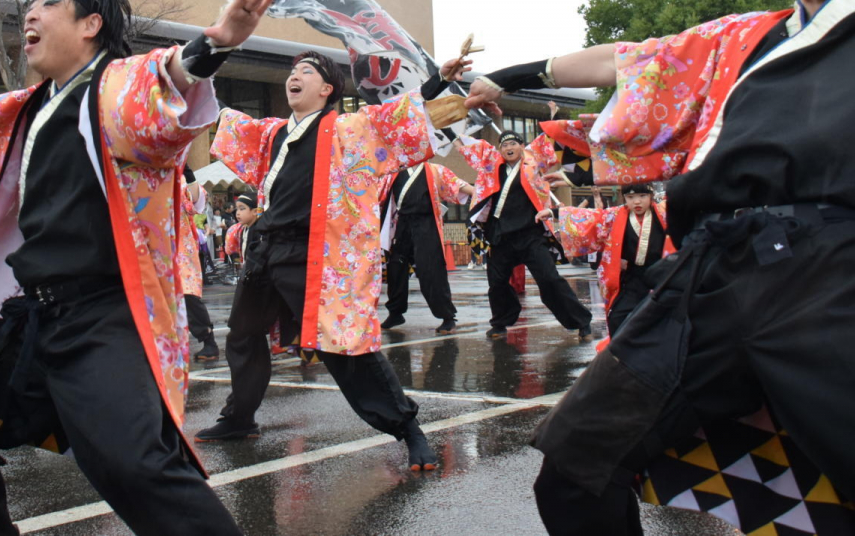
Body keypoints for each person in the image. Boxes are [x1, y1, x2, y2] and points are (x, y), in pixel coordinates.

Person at [464, 0, 855, 535]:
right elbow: (628, 61)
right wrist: (502, 79)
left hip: (834, 273)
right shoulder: (742, 39)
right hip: (710, 274)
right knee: (575, 469)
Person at [0, 0, 277, 536]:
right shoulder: (30, 108)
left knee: (132, 465)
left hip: (104, 315)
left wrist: (210, 47)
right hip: (33, 316)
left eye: (49, 4)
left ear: (92, 24)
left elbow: (159, 87)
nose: (30, 16)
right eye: (29, 7)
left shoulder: (113, 91)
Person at [194, 50, 468, 471]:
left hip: (313, 252)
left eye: (306, 71)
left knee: (343, 348)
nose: (294, 76)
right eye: (291, 70)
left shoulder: (346, 129)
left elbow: (392, 118)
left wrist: (437, 83)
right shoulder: (272, 133)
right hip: (266, 246)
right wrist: (199, 67)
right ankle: (240, 417)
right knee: (243, 334)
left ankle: (408, 429)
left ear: (326, 90)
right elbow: (221, 115)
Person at [456, 131, 592, 340]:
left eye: (513, 143)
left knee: (549, 279)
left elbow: (551, 139)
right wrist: (451, 131)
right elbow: (471, 145)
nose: (508, 148)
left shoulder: (533, 162)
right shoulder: (492, 165)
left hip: (530, 233)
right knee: (497, 283)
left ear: (522, 146)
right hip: (500, 235)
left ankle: (581, 322)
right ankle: (501, 322)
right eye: (504, 145)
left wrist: (558, 121)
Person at [540, 183, 672, 337]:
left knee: (663, 317)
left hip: (661, 277)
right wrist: (553, 212)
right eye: (631, 197)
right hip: (631, 278)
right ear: (624, 198)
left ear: (651, 196)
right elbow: (590, 217)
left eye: (642, 196)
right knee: (617, 317)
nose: (637, 202)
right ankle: (622, 355)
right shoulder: (615, 215)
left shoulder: (664, 214)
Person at [380, 162, 474, 334]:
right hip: (402, 223)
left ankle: (447, 317)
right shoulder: (394, 170)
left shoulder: (434, 169)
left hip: (426, 223)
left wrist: (478, 193)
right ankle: (395, 312)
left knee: (430, 269)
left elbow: (456, 183)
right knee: (396, 268)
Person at [179, 167, 219, 361]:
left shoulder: (178, 182)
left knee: (189, 295)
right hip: (151, 247)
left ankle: (208, 340)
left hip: (180, 248)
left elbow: (196, 203)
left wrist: (189, 176)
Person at [224, 193, 261, 267]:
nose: (237, 213)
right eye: (237, 209)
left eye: (242, 209)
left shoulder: (259, 231)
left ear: (255, 211)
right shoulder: (244, 228)